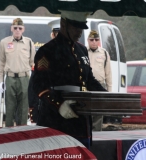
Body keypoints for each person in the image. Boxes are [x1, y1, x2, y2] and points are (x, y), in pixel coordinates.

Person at [32, 10, 106, 148]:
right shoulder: (47, 51)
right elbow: (39, 84)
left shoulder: (82, 50)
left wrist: (106, 97)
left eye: (81, 28)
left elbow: (89, 80)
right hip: (55, 120)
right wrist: (59, 104)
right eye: (75, 27)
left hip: (80, 120)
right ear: (63, 24)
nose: (79, 32)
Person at [0, 18, 36, 127]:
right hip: (10, 78)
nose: (17, 30)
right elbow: (1, 62)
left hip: (24, 78)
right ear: (11, 29)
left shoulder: (29, 42)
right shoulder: (4, 42)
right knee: (10, 109)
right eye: (15, 28)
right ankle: (8, 134)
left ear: (23, 29)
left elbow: (32, 63)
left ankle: (21, 135)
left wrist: (33, 80)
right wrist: (1, 81)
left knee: (23, 109)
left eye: (20, 28)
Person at [28, 20, 61, 124]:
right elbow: (35, 83)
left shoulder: (74, 53)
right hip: (48, 103)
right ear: (52, 35)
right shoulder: (44, 53)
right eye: (57, 35)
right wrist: (33, 110)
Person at [86, 30, 112, 131]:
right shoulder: (83, 51)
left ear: (99, 41)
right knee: (87, 112)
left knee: (98, 113)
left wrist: (109, 92)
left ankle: (97, 134)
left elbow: (108, 73)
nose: (94, 42)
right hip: (86, 86)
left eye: (96, 40)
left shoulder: (104, 53)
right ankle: (87, 132)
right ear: (88, 40)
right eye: (91, 39)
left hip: (100, 85)